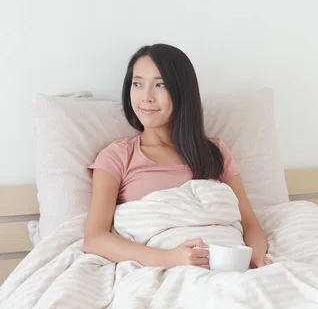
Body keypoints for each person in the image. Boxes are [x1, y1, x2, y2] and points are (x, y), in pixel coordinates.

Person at [82, 43, 272, 269]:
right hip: (167, 270)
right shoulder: (117, 157)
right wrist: (167, 258)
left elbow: (250, 224)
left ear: (182, 90)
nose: (146, 97)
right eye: (137, 84)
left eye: (160, 84)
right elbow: (95, 238)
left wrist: (254, 257)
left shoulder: (215, 152)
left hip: (229, 266)